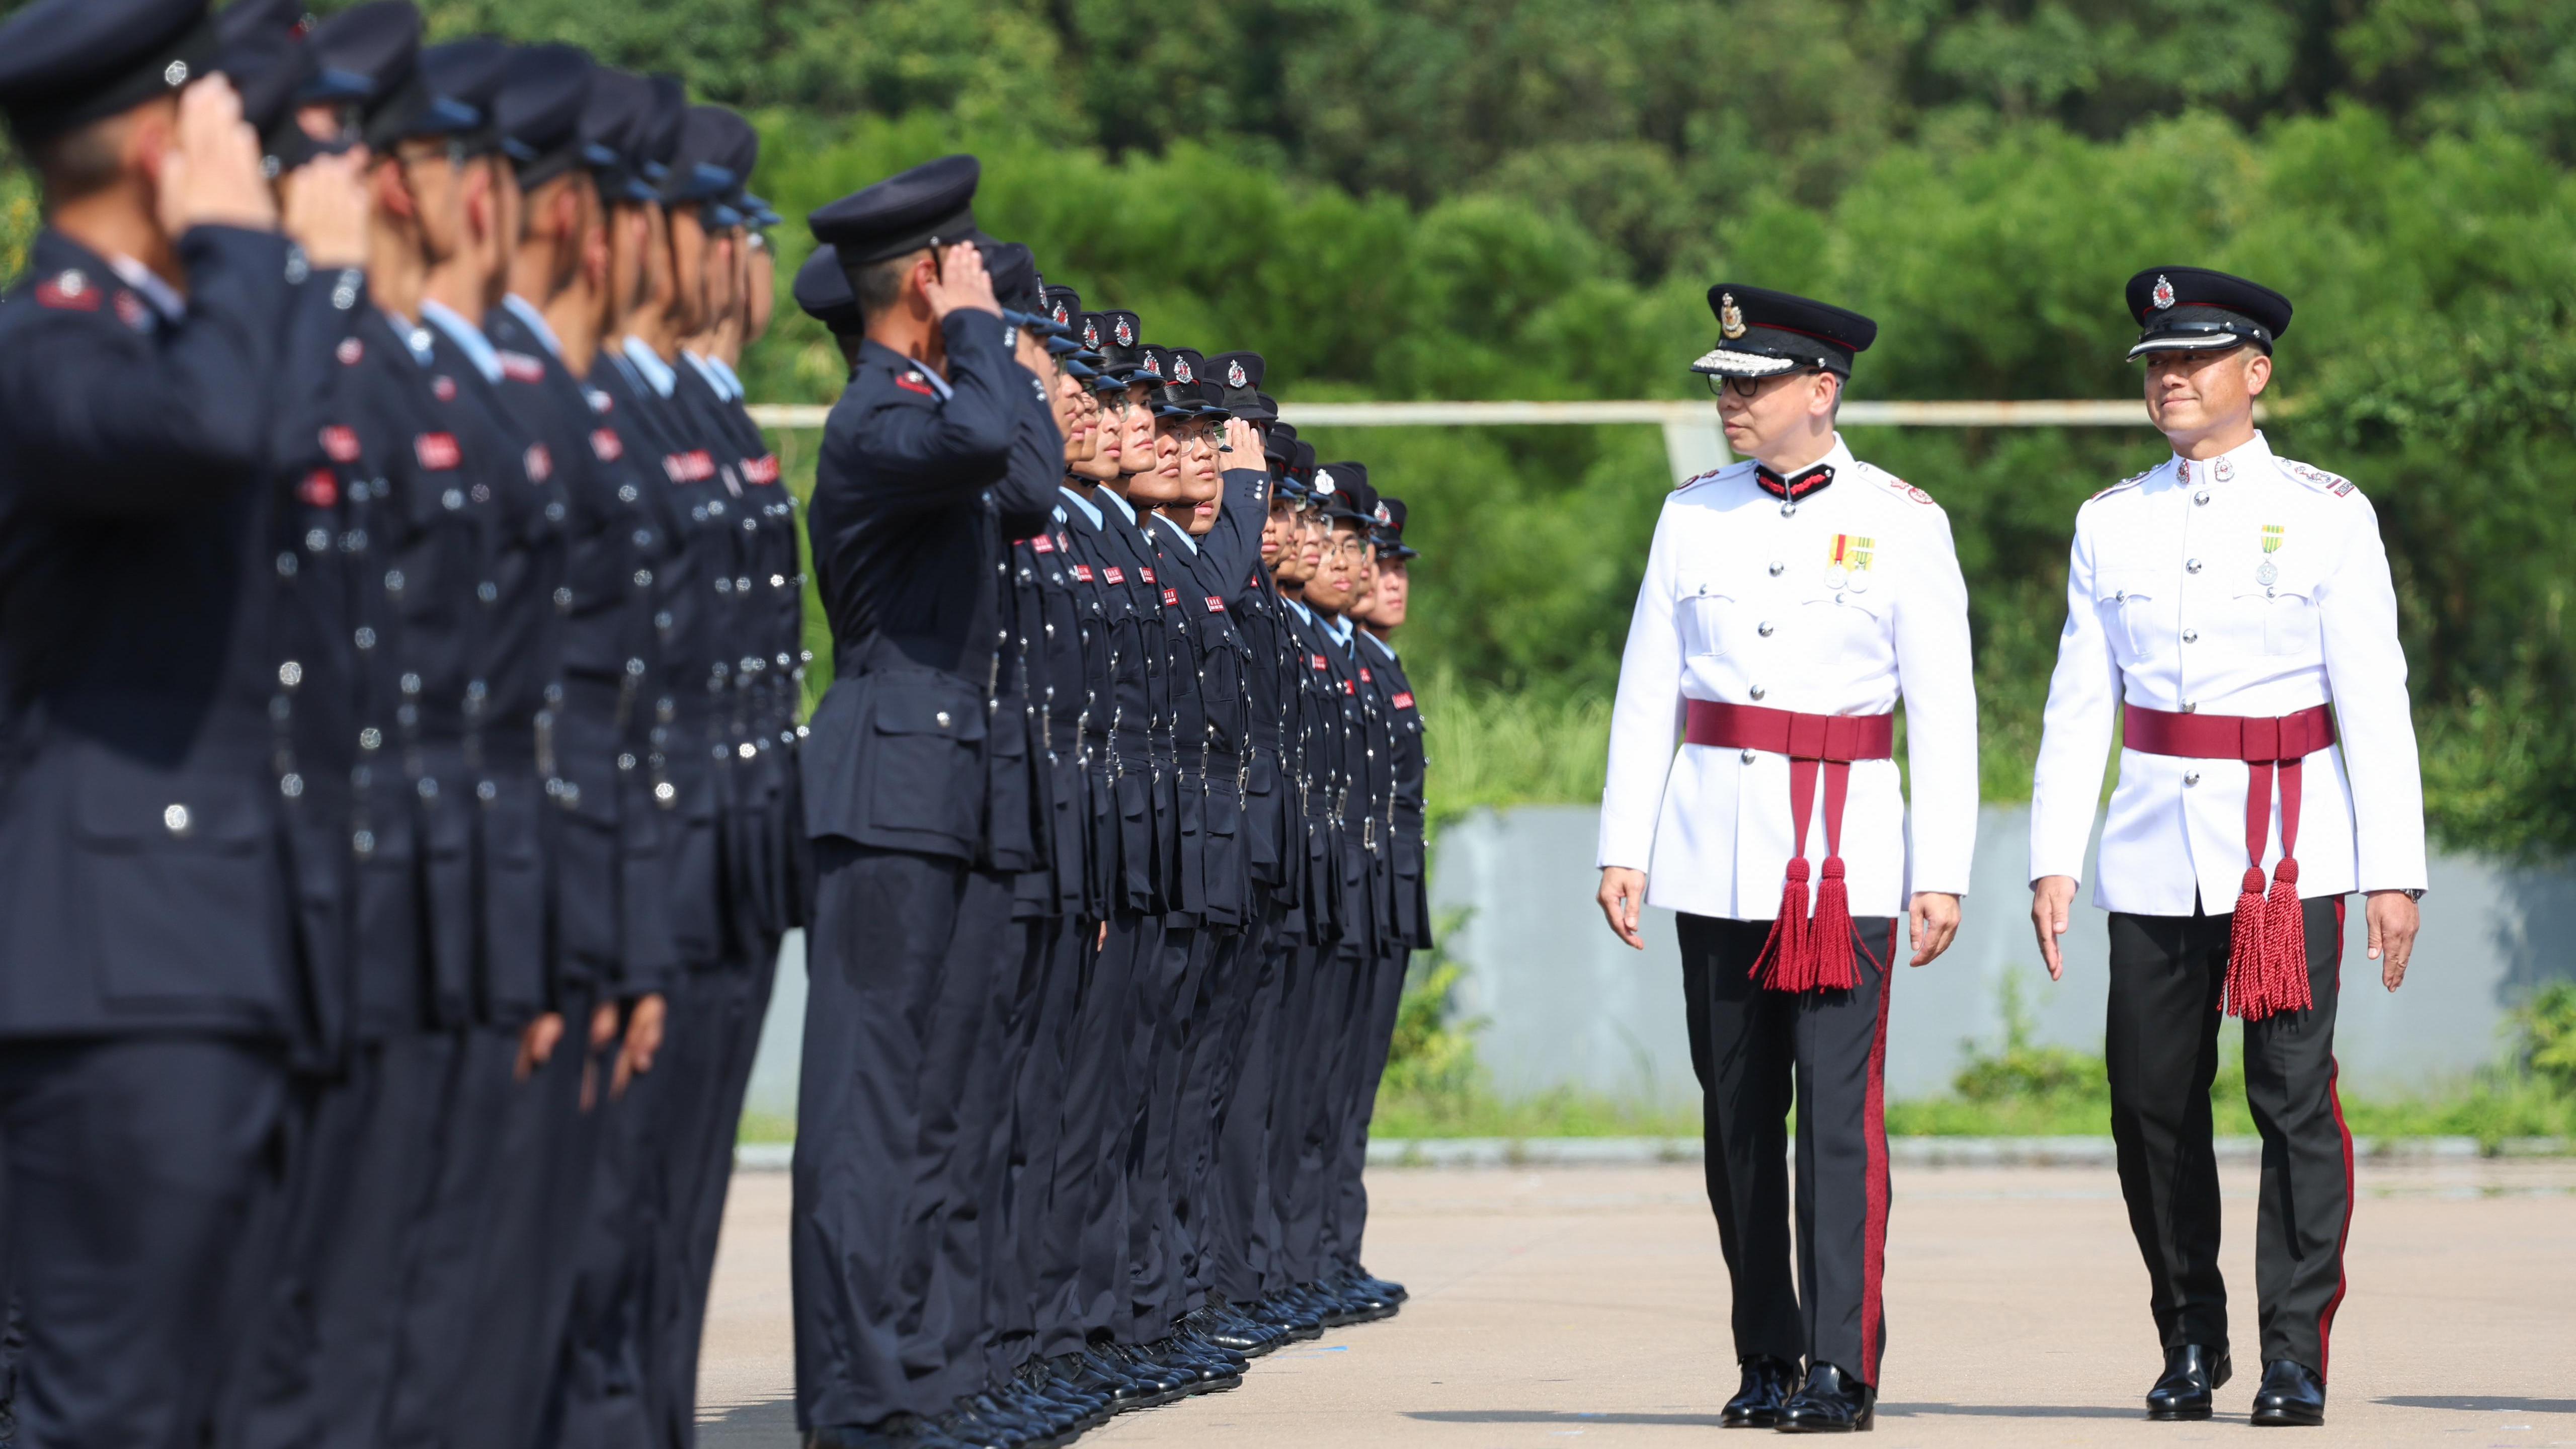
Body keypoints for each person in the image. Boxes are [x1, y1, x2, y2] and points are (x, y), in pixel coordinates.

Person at [0, 0, 365, 1437]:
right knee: (118, 1401)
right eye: (234, 138)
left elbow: (284, 436)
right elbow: (216, 430)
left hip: (211, 941)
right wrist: (246, 248)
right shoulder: (51, 347)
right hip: (114, 967)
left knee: (224, 1394)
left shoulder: (172, 343)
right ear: (167, 148)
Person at [2026, 267, 2426, 1428]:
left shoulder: (2327, 512)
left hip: (2289, 851)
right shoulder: (2109, 519)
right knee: (2148, 1104)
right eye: (2156, 362)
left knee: (2291, 1101)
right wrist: (2055, 855)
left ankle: (2292, 1353)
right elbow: (2078, 700)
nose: (2170, 379)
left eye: (2193, 359)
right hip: (2153, 852)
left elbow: (2375, 698)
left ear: (2255, 371)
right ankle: (2189, 1335)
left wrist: (2393, 871)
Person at [1595, 284, 1978, 1432]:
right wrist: (1625, 845)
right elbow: (1648, 689)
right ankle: (1765, 1351)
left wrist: (1940, 869)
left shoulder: (1903, 519)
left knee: (1839, 1120)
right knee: (1738, 1119)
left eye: (1753, 382)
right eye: (1723, 381)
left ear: (1821, 389)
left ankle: (1839, 1365)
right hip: (1713, 855)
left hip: (1841, 861)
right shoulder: (1690, 515)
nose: (1731, 400)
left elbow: (1945, 710)